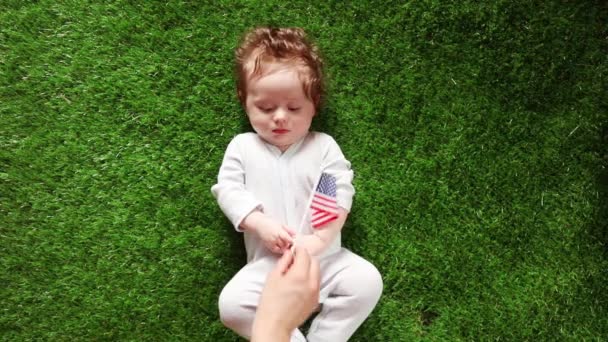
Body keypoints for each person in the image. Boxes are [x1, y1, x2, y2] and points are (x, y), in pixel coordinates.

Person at [211, 26, 383, 342]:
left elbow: (337, 190)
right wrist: (260, 223)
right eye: (265, 107)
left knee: (366, 281)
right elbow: (228, 190)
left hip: (325, 260)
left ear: (314, 104)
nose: (279, 118)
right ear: (244, 100)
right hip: (270, 268)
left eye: (293, 108)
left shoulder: (323, 147)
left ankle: (327, 337)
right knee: (232, 306)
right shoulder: (243, 147)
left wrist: (318, 241)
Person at [251, 246, 320, 342]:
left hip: (324, 264)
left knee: (347, 278)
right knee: (230, 305)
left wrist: (320, 239)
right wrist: (261, 229)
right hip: (269, 271)